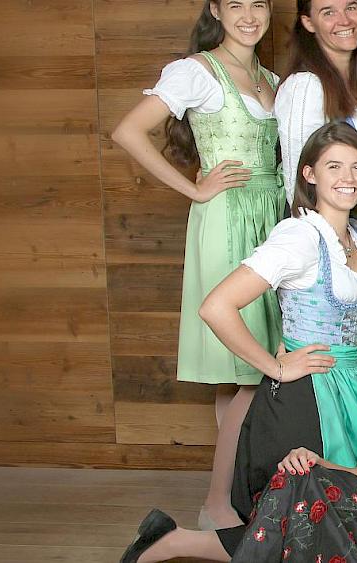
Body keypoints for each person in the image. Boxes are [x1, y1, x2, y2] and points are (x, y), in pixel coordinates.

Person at [119, 313, 357, 563]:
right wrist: (316, 462)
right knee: (298, 476)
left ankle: (172, 541)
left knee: (298, 531)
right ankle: (172, 542)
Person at [109, 0, 283, 530]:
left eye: (259, 3)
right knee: (250, 365)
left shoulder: (271, 78)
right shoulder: (197, 71)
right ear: (216, 10)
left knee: (236, 377)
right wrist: (196, 189)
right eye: (236, 4)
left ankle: (231, 496)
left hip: (271, 216)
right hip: (227, 219)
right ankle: (215, 503)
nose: (249, 15)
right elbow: (127, 132)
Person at [196, 123, 357, 529]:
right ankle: (174, 542)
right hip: (311, 391)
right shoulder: (300, 236)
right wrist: (276, 367)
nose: (348, 177)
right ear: (309, 174)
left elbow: (354, 322)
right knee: (308, 521)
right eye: (334, 166)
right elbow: (216, 307)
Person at [275, 0, 357, 203]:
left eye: (351, 8)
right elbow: (298, 180)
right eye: (329, 12)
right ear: (308, 22)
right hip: (321, 217)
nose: (344, 20)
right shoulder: (305, 85)